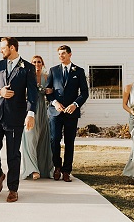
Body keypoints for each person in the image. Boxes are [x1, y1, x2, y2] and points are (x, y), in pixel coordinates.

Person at [0, 37, 37, 203]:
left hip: (16, 117)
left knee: (13, 154)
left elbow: (33, 93)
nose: (1, 50)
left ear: (12, 48)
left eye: (3, 47)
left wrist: (30, 114)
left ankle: (13, 189)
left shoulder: (28, 68)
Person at [46, 45, 89, 183]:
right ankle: (57, 167)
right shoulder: (53, 71)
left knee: (69, 142)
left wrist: (75, 105)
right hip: (56, 112)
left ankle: (66, 171)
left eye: (63, 53)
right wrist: (55, 103)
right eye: (59, 54)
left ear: (70, 54)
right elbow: (48, 92)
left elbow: (84, 93)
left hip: (71, 112)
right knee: (54, 140)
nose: (61, 56)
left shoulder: (79, 71)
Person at [20, 55, 53, 180]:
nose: (37, 64)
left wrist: (49, 91)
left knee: (42, 139)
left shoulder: (46, 77)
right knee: (30, 138)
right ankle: (32, 169)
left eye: (39, 62)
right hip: (30, 111)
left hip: (42, 111)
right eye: (34, 62)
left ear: (42, 64)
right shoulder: (27, 77)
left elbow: (52, 91)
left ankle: (43, 169)